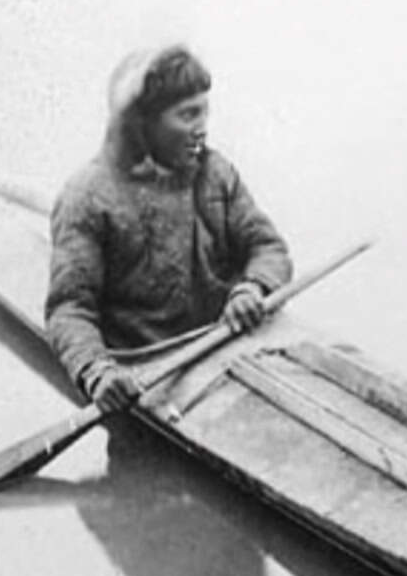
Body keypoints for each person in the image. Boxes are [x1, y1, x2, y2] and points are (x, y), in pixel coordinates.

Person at [46, 44, 293, 415]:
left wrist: (253, 287)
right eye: (187, 115)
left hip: (227, 345)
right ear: (142, 122)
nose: (202, 128)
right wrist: (96, 371)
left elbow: (267, 247)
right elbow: (69, 309)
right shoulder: (86, 197)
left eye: (205, 112)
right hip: (149, 368)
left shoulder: (216, 173)